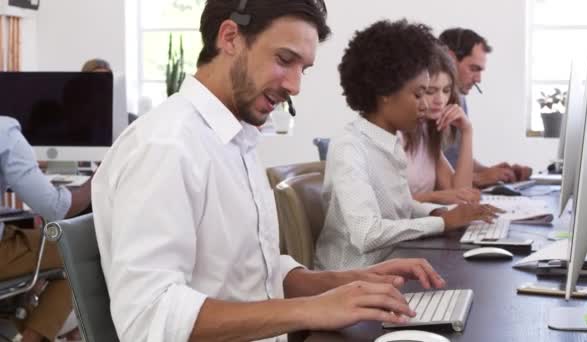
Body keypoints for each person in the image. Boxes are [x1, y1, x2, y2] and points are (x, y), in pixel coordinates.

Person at [91, 2, 446, 341]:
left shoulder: (233, 140)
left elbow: (254, 273)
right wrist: (310, 311)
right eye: (284, 60)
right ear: (230, 37)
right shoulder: (166, 146)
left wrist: (350, 281)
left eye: (302, 69)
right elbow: (151, 316)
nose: (295, 86)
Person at [313, 20, 501, 272]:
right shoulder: (350, 147)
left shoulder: (388, 142)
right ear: (385, 92)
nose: (426, 104)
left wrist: (441, 213)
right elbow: (367, 233)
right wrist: (443, 222)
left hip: (388, 268)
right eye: (419, 94)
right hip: (350, 280)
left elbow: (401, 206)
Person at [0, 116, 91, 342]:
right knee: (82, 249)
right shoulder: (4, 131)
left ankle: (32, 320)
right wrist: (95, 183)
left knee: (44, 254)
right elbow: (55, 208)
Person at [438, 28, 533, 188]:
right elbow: (430, 174)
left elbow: (454, 158)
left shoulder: (459, 99)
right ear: (450, 58)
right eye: (474, 69)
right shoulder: (430, 104)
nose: (478, 79)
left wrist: (491, 171)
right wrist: (479, 178)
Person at [403, 44, 480, 205]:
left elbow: (460, 195)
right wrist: (434, 197)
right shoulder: (395, 133)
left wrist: (467, 131)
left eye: (446, 90)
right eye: (431, 91)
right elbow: (387, 207)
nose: (440, 100)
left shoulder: (424, 132)